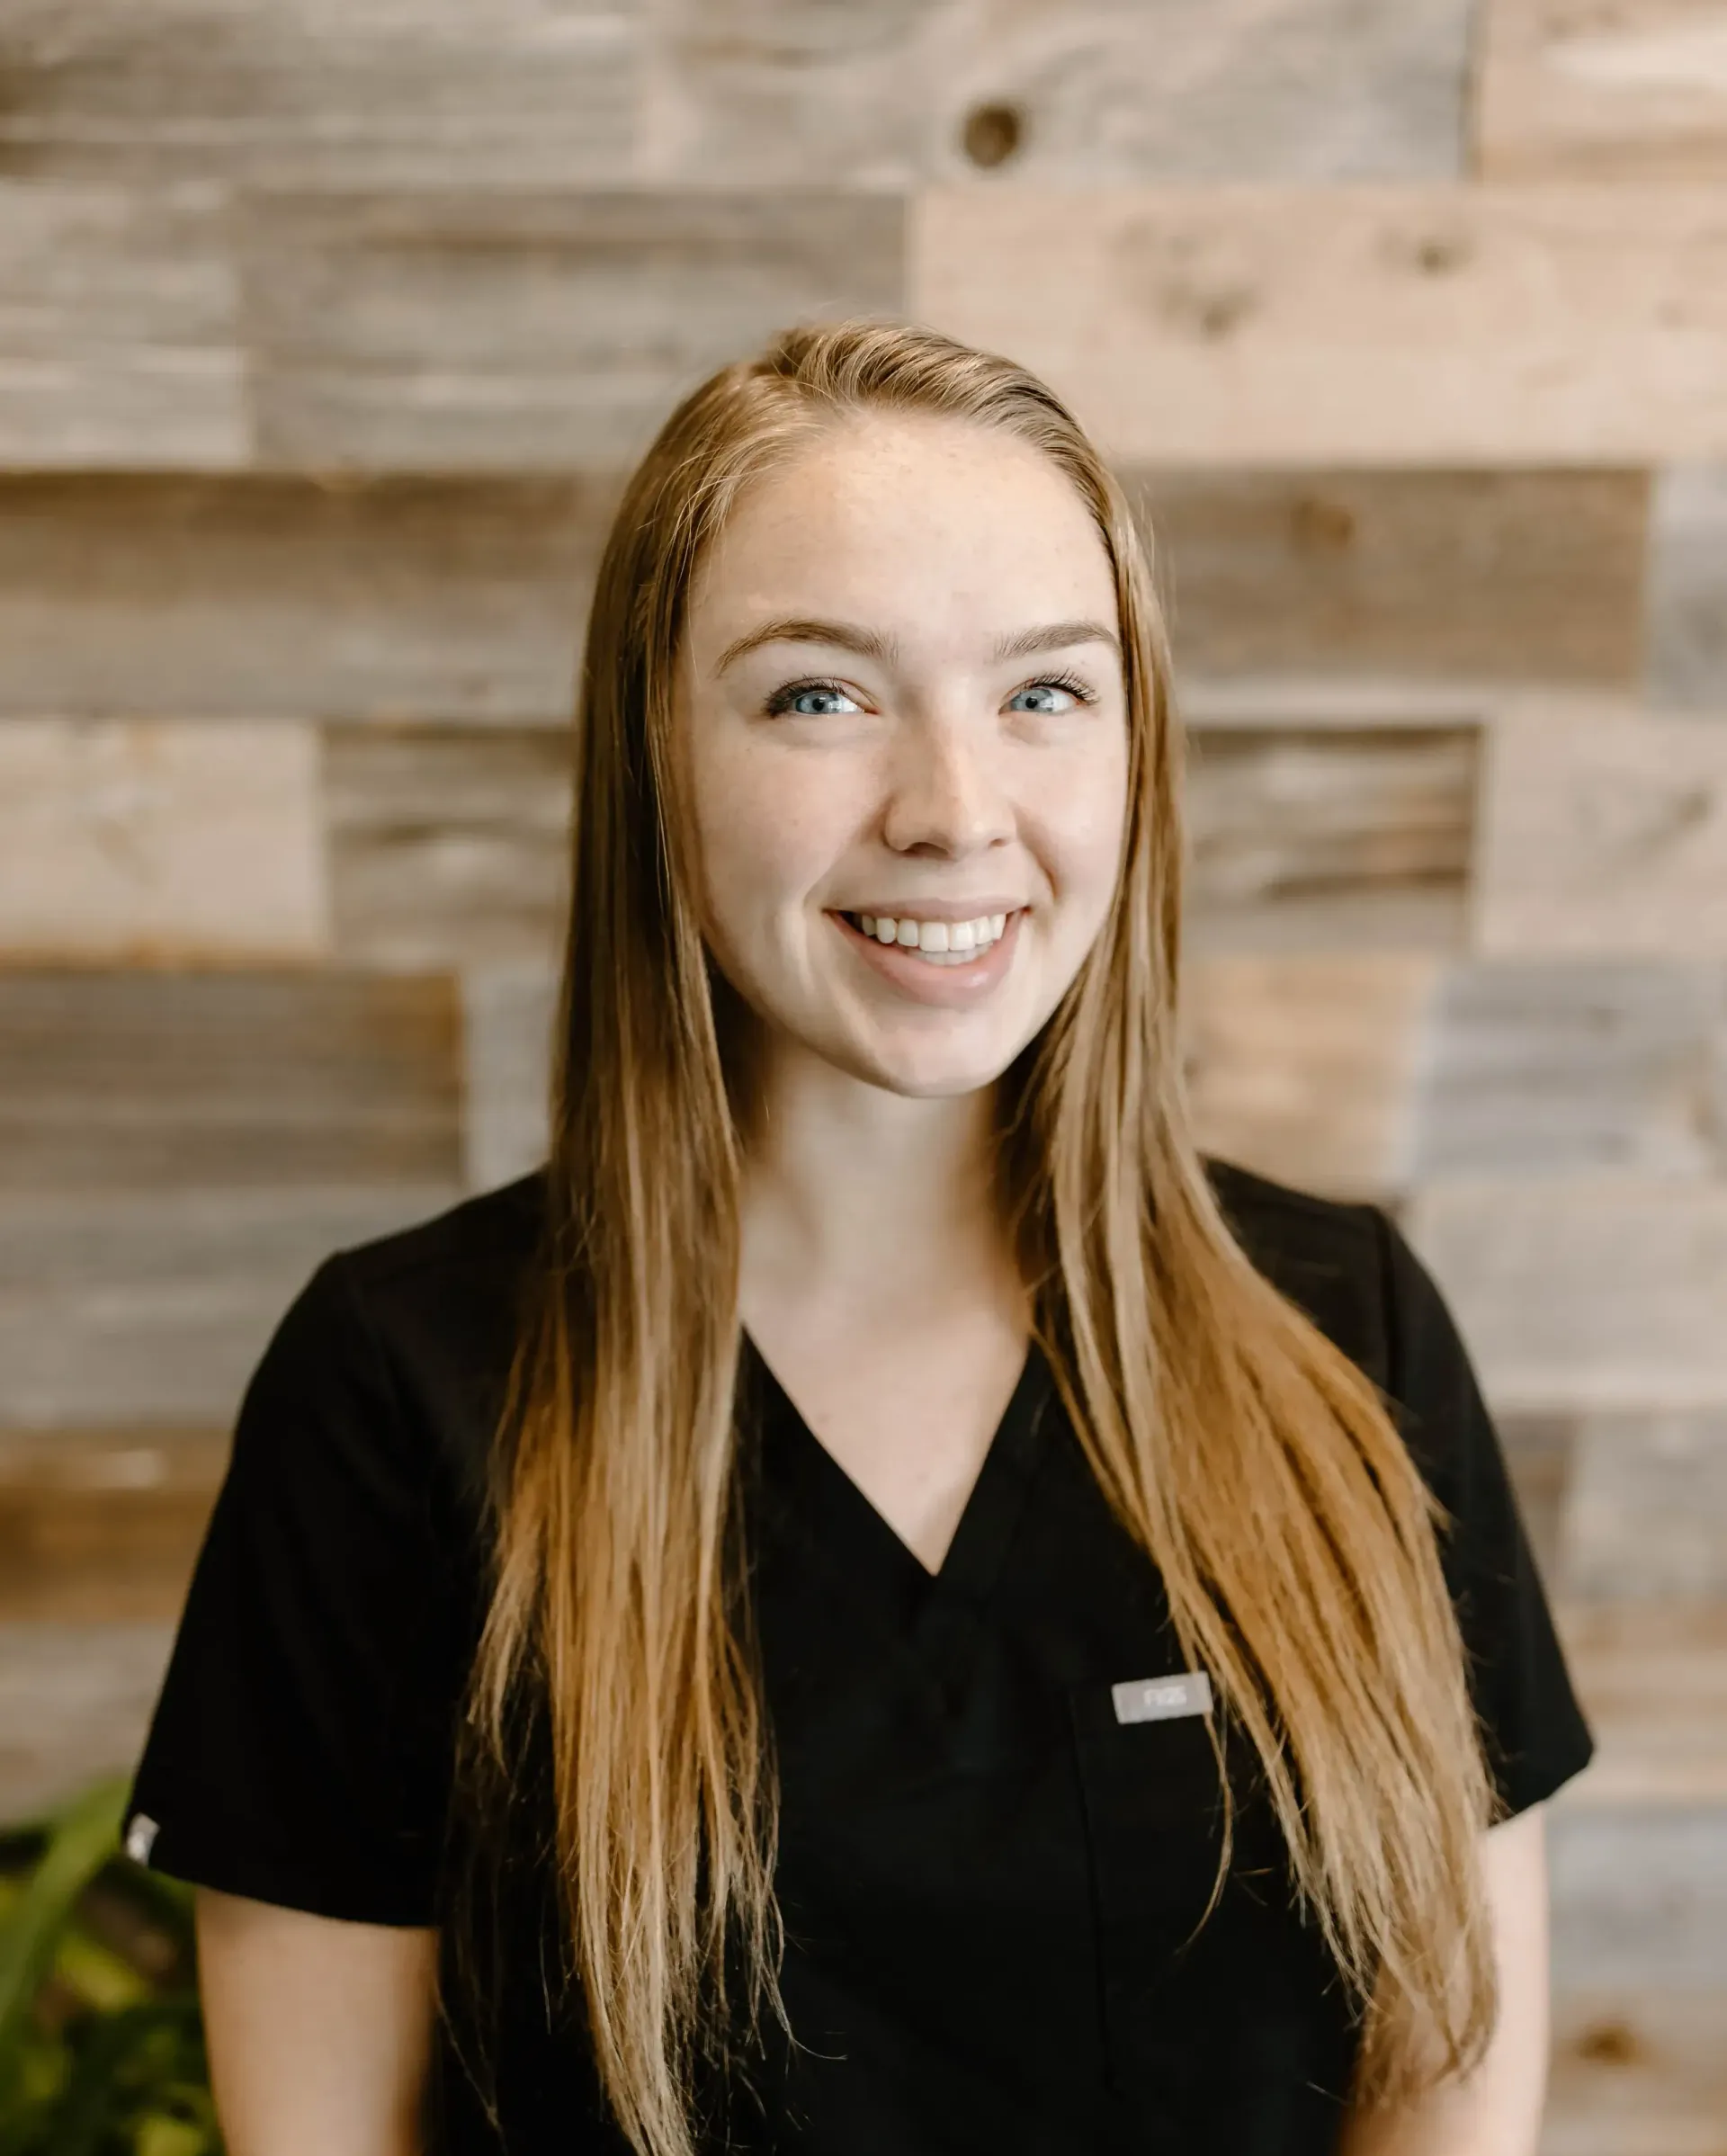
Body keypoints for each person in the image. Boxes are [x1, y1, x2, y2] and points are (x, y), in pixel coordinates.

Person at [124, 319, 1594, 2156]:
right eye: (820, 696)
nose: (955, 810)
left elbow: (1450, 2074)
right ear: (658, 749)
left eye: (1044, 693)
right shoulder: (398, 1388)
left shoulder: (1345, 1329)